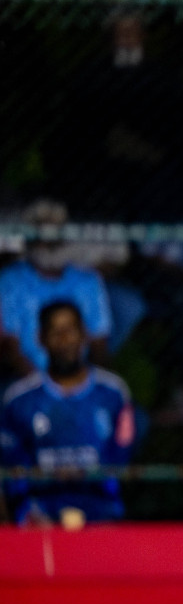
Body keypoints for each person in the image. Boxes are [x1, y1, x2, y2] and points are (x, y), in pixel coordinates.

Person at [1, 300, 135, 525]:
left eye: (71, 330)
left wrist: (89, 474)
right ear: (40, 339)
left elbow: (120, 457)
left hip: (99, 505)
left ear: (84, 335)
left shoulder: (113, 393)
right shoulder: (19, 399)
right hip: (40, 507)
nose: (65, 340)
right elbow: (12, 465)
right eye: (56, 332)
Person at [0, 200, 113, 381]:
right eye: (41, 234)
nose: (49, 242)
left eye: (55, 234)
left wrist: (88, 386)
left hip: (78, 377)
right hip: (26, 379)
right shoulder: (10, 280)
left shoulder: (88, 280)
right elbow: (9, 346)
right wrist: (45, 389)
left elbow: (99, 342)